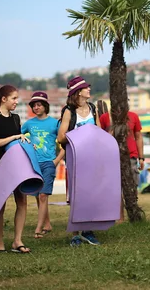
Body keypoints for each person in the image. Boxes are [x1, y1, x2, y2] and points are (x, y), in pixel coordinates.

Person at [0, 85, 32, 253]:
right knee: (0, 205)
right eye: (13, 98)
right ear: (3, 99)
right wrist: (14, 136)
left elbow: (16, 143)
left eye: (17, 98)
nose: (16, 102)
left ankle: (17, 241)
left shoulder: (16, 118)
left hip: (16, 166)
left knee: (22, 202)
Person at [57, 76, 102, 246]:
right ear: (78, 92)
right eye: (86, 88)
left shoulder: (93, 108)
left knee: (91, 195)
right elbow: (61, 137)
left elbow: (98, 132)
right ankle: (76, 234)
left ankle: (88, 231)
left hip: (92, 159)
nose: (89, 89)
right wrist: (82, 136)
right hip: (76, 159)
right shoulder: (68, 111)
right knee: (76, 196)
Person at [22, 91, 64, 239]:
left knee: (43, 195)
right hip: (33, 164)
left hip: (49, 163)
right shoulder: (29, 123)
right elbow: (18, 138)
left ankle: (38, 228)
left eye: (39, 105)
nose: (36, 107)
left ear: (45, 106)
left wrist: (57, 160)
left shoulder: (55, 123)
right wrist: (26, 144)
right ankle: (47, 224)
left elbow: (65, 143)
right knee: (38, 196)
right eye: (34, 105)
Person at [99, 100, 144, 222]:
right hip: (112, 156)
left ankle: (134, 216)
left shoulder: (133, 116)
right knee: (116, 189)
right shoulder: (105, 117)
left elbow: (138, 137)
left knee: (132, 187)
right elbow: (100, 138)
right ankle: (120, 219)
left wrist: (141, 157)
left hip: (131, 156)